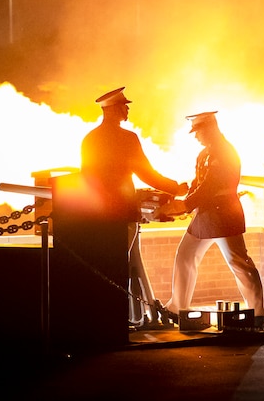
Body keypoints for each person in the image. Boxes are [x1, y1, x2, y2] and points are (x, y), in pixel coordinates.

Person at [77, 87, 188, 328]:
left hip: (97, 213)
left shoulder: (90, 139)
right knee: (120, 264)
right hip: (122, 211)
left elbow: (86, 176)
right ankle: (118, 320)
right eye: (124, 106)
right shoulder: (127, 138)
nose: (127, 109)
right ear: (115, 109)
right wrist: (174, 188)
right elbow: (146, 173)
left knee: (103, 263)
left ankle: (103, 318)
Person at [160, 111, 264, 329]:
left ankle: (257, 313)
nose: (196, 136)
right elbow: (199, 184)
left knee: (239, 262)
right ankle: (177, 307)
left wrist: (185, 204)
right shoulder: (205, 153)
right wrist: (183, 196)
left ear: (210, 128)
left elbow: (211, 186)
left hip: (222, 214)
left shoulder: (224, 152)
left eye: (198, 131)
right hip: (206, 214)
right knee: (185, 256)